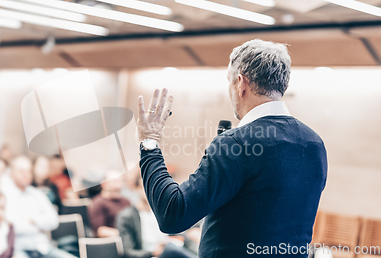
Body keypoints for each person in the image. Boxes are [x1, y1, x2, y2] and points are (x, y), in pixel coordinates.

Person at [137, 39, 327, 257]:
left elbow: (172, 214)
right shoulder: (314, 143)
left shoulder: (237, 144)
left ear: (240, 83)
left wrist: (149, 142)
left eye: (229, 81)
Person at [0, 156, 75, 258]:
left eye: (28, 171)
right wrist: (39, 226)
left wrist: (33, 220)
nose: (26, 175)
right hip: (18, 249)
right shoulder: (4, 196)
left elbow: (54, 220)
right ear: (12, 173)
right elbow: (13, 227)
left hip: (43, 248)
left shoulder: (37, 194)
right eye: (21, 171)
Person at [116, 180, 197, 258]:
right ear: (137, 189)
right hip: (151, 254)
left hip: (170, 249)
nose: (151, 191)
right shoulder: (126, 217)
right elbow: (129, 253)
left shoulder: (163, 211)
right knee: (169, 249)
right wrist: (153, 252)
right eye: (146, 187)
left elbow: (183, 237)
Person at [88, 171, 130, 238]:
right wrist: (124, 234)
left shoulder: (126, 201)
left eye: (121, 182)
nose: (118, 186)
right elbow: (100, 231)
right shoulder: (98, 203)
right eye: (115, 182)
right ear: (104, 184)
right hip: (111, 242)